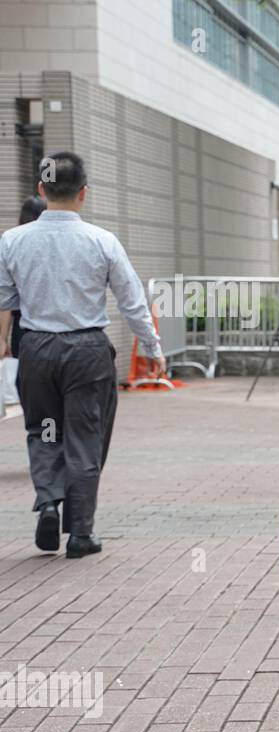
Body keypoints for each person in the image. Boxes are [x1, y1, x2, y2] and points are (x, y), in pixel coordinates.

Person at [0, 153, 165, 557]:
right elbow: (132, 302)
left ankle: (47, 501)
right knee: (84, 438)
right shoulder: (100, 240)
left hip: (36, 349)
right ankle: (80, 532)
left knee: (45, 430)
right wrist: (151, 347)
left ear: (41, 189)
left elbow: (3, 301)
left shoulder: (12, 241)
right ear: (83, 194)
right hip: (87, 351)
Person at [0, 196, 48, 406]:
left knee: (32, 388)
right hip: (57, 329)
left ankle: (44, 429)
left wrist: (2, 338)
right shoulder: (54, 245)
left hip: (25, 331)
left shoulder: (12, 244)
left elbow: (5, 301)